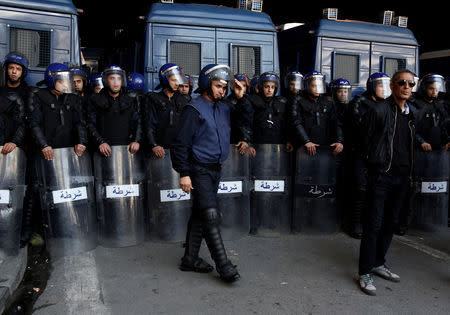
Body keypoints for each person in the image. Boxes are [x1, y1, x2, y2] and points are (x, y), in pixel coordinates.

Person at [171, 64, 243, 283]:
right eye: (218, 86)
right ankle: (224, 266)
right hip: (198, 169)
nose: (223, 90)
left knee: (200, 213)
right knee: (211, 215)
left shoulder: (224, 107)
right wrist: (184, 173)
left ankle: (190, 259)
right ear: (206, 84)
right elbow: (180, 144)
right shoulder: (194, 109)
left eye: (225, 87)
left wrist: (241, 99)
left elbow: (244, 123)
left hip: (215, 169)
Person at [358, 69, 416, 296]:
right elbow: (364, 140)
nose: (407, 87)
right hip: (381, 175)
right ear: (392, 86)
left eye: (411, 83)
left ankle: (378, 262)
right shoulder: (379, 110)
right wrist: (374, 167)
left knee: (390, 222)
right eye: (402, 82)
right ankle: (364, 272)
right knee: (373, 224)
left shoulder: (413, 114)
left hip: (402, 177)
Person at [346, 72, 392, 239]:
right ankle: (356, 224)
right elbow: (362, 127)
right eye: (381, 86)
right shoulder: (359, 102)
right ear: (372, 87)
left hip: (380, 153)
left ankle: (372, 223)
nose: (384, 89)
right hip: (361, 151)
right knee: (360, 188)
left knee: (378, 189)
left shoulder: (388, 104)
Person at [86, 65, 141, 157]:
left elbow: (137, 122)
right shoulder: (95, 100)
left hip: (126, 150)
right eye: (112, 78)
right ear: (105, 80)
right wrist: (100, 142)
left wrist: (136, 140)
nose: (116, 82)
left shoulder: (129, 100)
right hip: (103, 151)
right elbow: (90, 123)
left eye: (119, 78)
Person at [290, 71, 343, 156]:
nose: (317, 88)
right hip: (305, 147)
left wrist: (339, 141)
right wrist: (306, 141)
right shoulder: (298, 100)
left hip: (325, 147)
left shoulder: (328, 101)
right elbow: (296, 122)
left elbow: (336, 123)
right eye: (314, 86)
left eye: (319, 85)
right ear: (307, 86)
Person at [144, 63, 189, 158]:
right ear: (164, 80)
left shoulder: (184, 100)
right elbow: (149, 123)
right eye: (173, 80)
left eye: (178, 80)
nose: (177, 83)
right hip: (159, 151)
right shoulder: (153, 98)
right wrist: (154, 144)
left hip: (179, 151)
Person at [248, 72, 293, 151]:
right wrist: (249, 144)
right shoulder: (253, 101)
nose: (270, 90)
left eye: (272, 87)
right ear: (261, 87)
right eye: (266, 87)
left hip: (277, 147)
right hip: (258, 146)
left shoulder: (281, 103)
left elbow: (285, 124)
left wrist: (288, 140)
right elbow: (248, 124)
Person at [227, 73, 254, 157]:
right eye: (238, 85)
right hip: (230, 144)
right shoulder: (227, 102)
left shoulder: (249, 102)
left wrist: (248, 142)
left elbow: (249, 123)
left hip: (244, 144)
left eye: (244, 85)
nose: (241, 88)